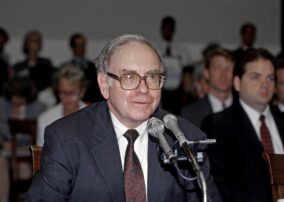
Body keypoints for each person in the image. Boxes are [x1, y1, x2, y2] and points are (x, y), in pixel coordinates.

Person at [24, 34, 221, 202]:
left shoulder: (185, 138)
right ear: (104, 84)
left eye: (152, 77)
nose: (143, 89)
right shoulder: (67, 138)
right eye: (129, 77)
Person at [201, 48, 284, 202]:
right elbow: (222, 188)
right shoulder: (218, 126)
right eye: (255, 77)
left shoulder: (282, 120)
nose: (265, 84)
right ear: (237, 83)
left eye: (270, 78)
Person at [0, 76, 46, 202]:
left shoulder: (39, 108)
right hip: (6, 150)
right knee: (0, 161)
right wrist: (2, 142)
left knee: (23, 168)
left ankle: (25, 198)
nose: (18, 100)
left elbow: (41, 136)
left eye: (21, 97)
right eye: (15, 96)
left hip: (28, 150)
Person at [181, 48, 235, 128]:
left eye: (228, 69)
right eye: (217, 68)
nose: (223, 74)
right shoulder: (190, 113)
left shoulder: (246, 110)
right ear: (206, 73)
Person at [36, 64, 87, 146]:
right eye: (63, 92)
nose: (67, 98)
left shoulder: (94, 119)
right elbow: (40, 155)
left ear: (82, 92)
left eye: (72, 93)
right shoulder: (45, 120)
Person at [62, 32, 103, 104]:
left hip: (92, 103)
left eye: (83, 45)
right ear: (73, 47)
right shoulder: (66, 68)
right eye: (78, 45)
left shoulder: (94, 66)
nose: (81, 48)